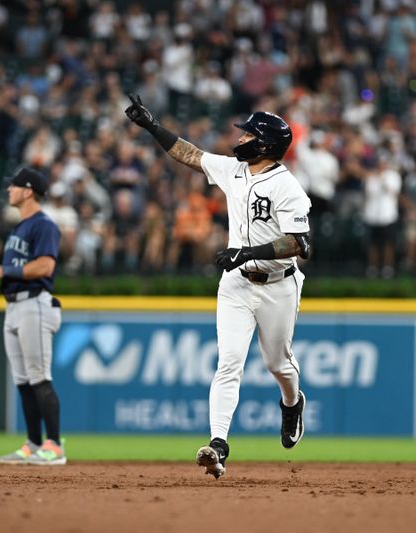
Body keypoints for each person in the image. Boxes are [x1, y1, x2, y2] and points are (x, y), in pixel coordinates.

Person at [125, 94, 311, 479]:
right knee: (228, 363)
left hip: (278, 285)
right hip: (237, 285)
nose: (240, 138)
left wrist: (245, 251)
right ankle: (219, 444)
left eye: (248, 135)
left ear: (264, 145)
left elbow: (299, 243)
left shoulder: (287, 187)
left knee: (278, 364)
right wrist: (151, 125)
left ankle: (292, 404)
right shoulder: (234, 171)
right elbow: (190, 155)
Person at [0, 167, 65, 466]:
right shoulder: (18, 228)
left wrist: (3, 270)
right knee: (24, 381)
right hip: (14, 306)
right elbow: (17, 268)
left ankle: (54, 446)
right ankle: (33, 443)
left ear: (28, 191)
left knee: (40, 378)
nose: (8, 191)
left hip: (35, 304)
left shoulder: (43, 226)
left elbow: (44, 267)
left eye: (13, 186)